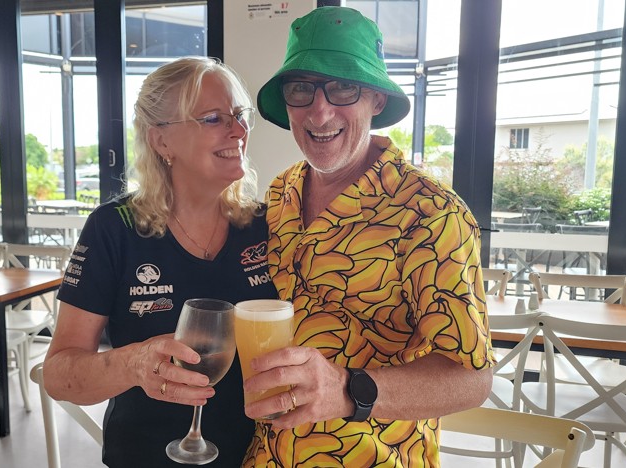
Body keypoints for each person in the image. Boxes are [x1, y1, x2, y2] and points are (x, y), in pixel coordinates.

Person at [241, 7, 495, 467]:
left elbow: (470, 380)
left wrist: (345, 390)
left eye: (343, 87)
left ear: (376, 101)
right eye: (301, 88)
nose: (320, 111)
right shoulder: (281, 193)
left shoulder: (432, 213)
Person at [43, 56, 277, 467]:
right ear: (161, 142)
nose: (239, 131)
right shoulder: (113, 229)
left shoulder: (265, 226)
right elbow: (59, 376)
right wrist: (132, 364)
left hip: (255, 458)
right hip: (145, 456)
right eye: (212, 118)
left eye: (240, 116)